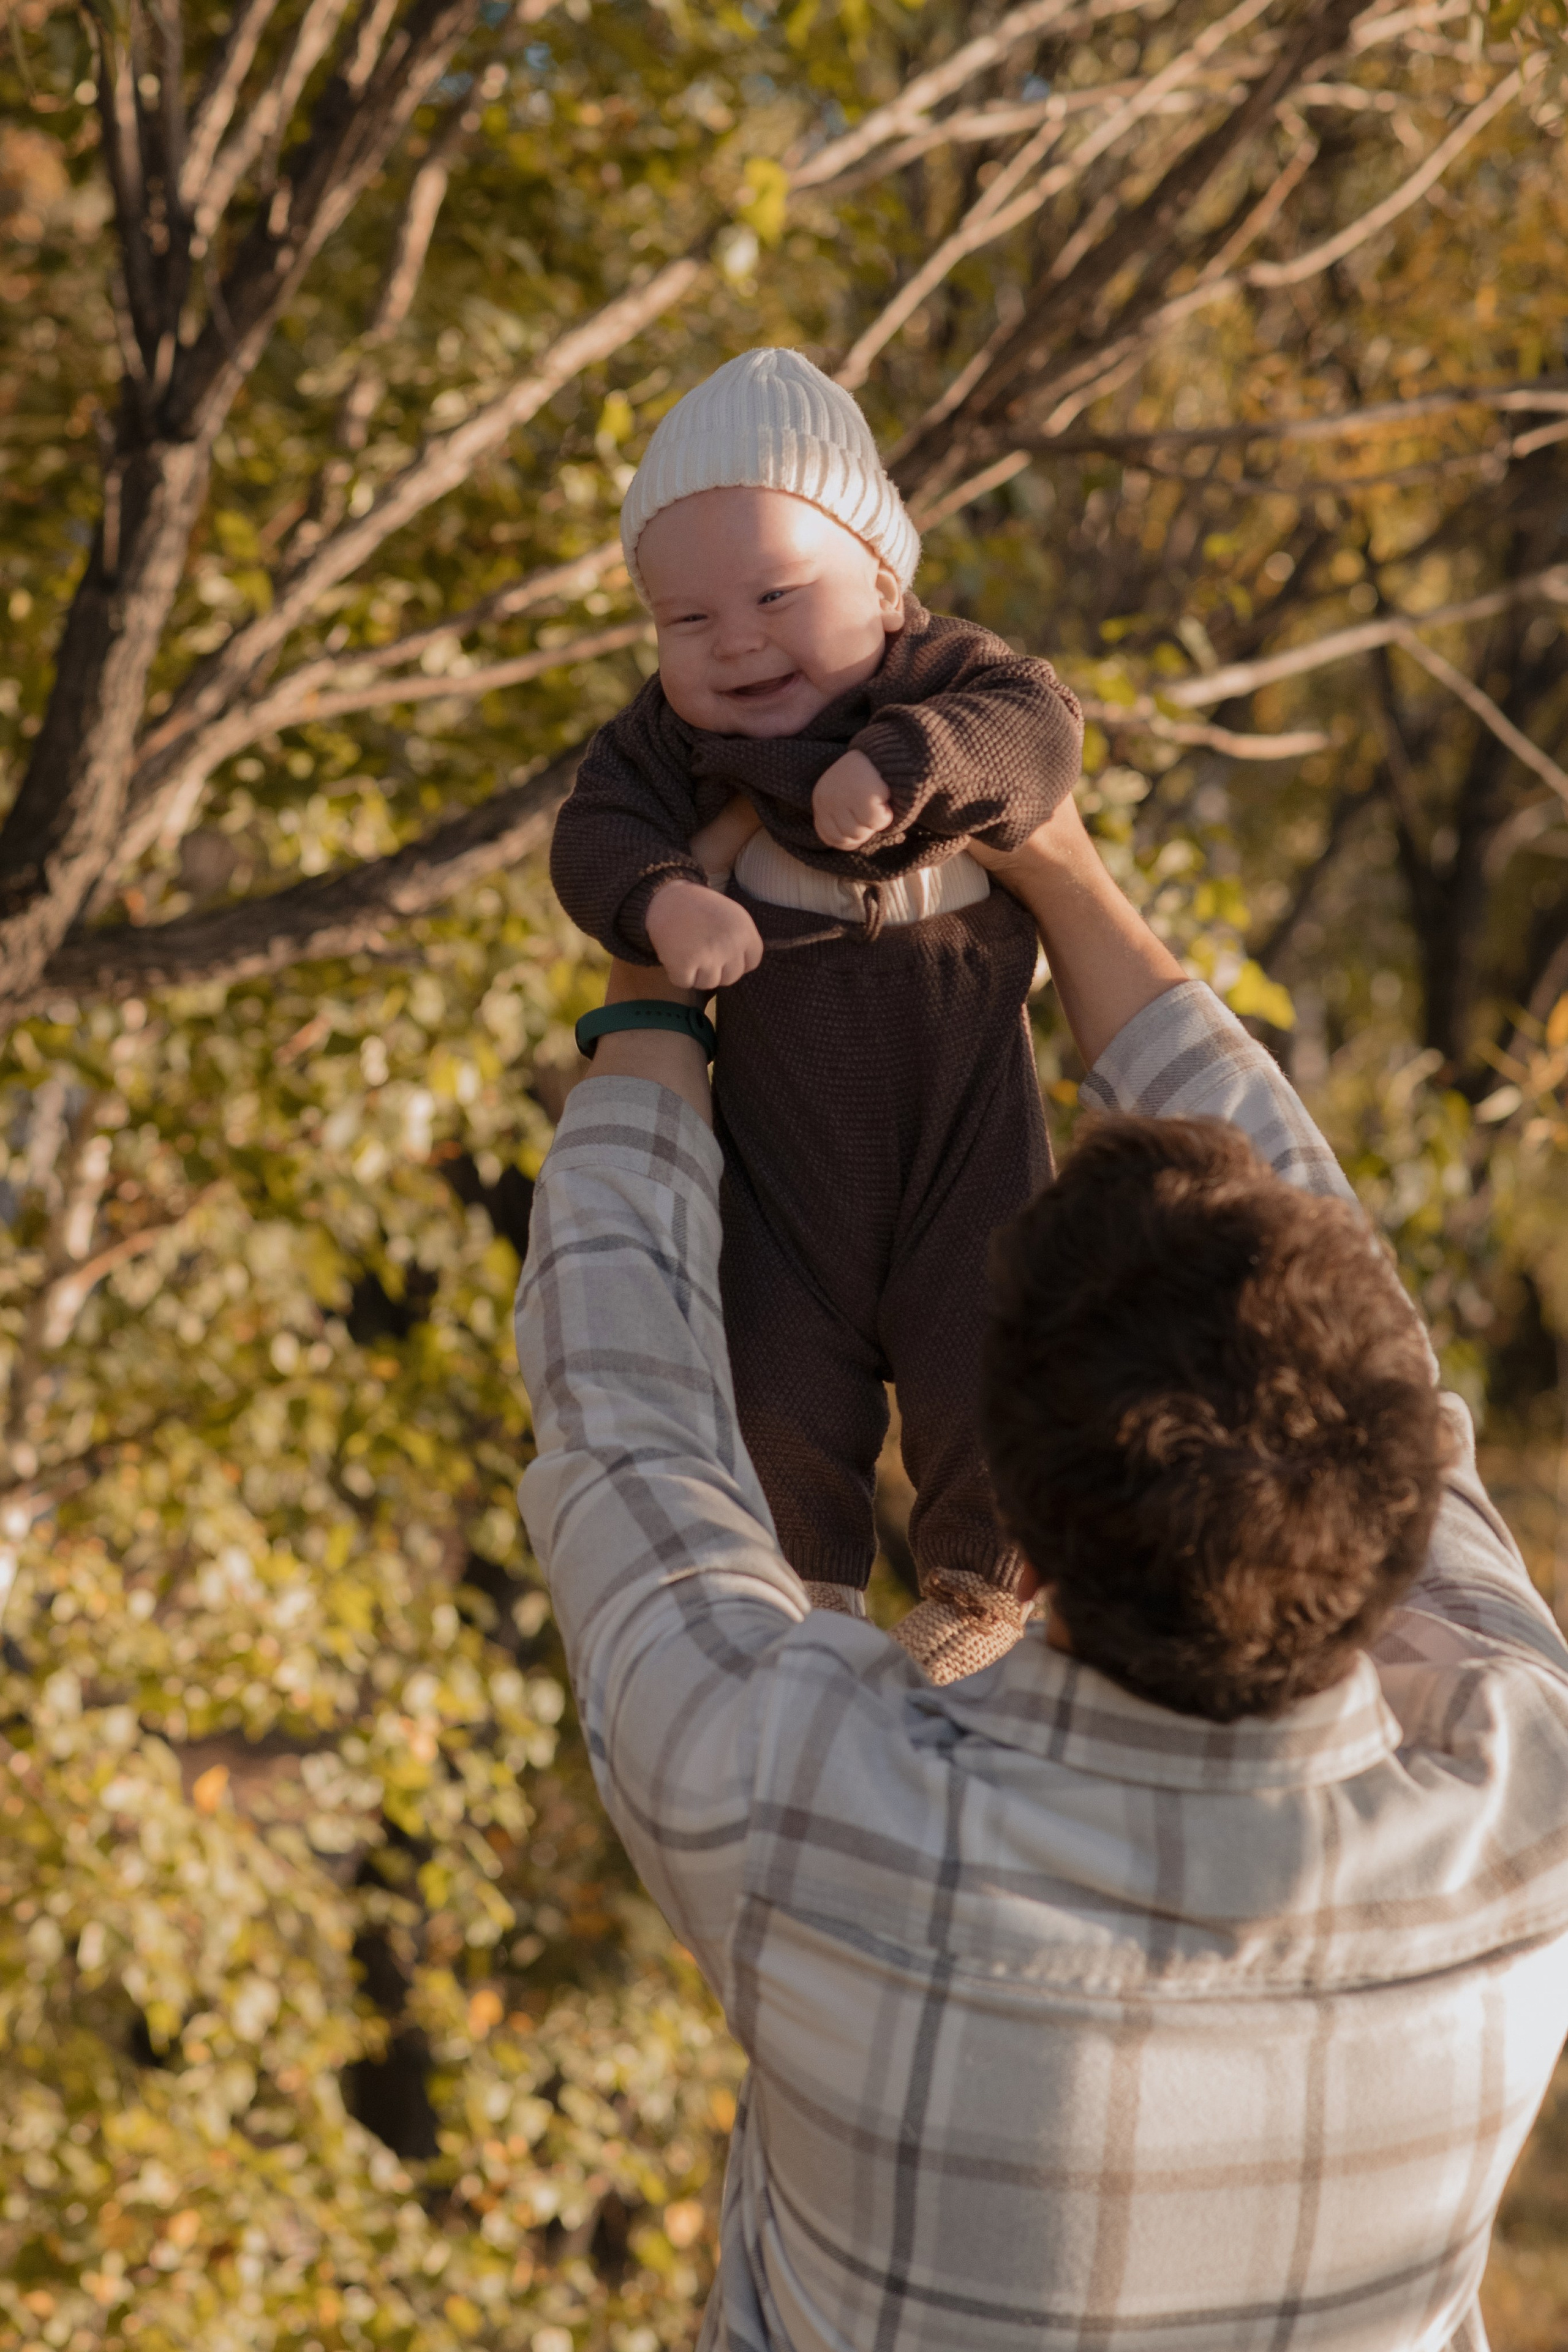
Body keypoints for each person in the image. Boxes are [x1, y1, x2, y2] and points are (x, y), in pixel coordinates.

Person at [514, 790, 1568, 2352]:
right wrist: (1059, 869)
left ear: (1009, 1493)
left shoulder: (810, 1818)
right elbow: (1382, 1357)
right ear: (1400, 1493)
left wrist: (658, 1005)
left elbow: (631, 1424)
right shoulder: (1523, 1817)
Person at [550, 347, 1084, 1677]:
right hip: (785, 1154)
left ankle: (978, 1584)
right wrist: (666, 904)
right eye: (686, 622)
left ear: (885, 584)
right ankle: (802, 1597)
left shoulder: (943, 680)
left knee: (996, 1332)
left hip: (964, 1122)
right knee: (773, 1365)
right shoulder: (672, 747)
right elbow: (593, 831)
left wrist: (904, 761)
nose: (734, 644)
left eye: (777, 595)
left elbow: (1041, 733)